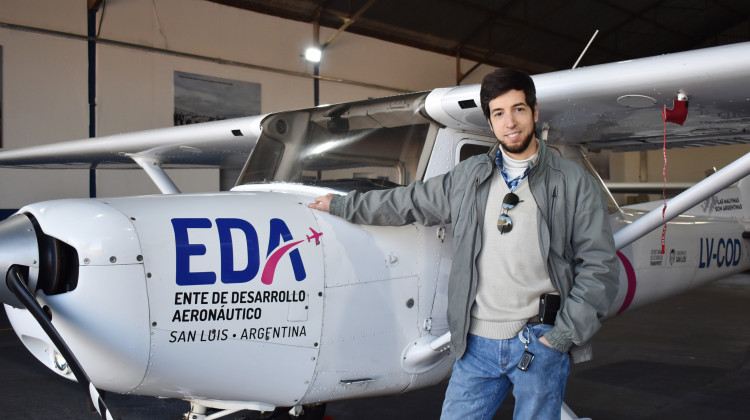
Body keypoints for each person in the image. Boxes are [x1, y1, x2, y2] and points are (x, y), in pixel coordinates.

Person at [308, 68, 620, 419]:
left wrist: (561, 338)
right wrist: (343, 204)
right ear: (490, 122)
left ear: (535, 111)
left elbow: (600, 267)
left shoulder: (572, 182)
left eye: (518, 109)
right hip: (476, 345)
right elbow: (408, 201)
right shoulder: (469, 176)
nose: (510, 122)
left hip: (539, 342)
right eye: (499, 113)